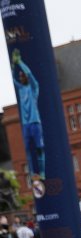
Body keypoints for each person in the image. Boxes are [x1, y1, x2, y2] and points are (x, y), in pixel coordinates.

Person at [11, 49, 45, 179]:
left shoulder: (33, 88)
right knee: (27, 150)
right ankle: (32, 173)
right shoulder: (20, 89)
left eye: (22, 76)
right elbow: (13, 79)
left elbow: (30, 74)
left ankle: (42, 173)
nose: (21, 77)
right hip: (26, 125)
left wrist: (19, 62)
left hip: (35, 122)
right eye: (20, 76)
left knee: (39, 148)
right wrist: (13, 66)